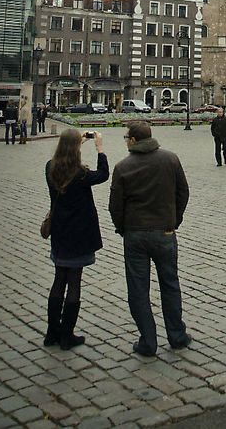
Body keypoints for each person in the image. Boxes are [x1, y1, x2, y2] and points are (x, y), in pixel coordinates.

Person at [108, 120, 191, 357]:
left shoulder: (123, 167)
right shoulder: (170, 159)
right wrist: (175, 219)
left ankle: (148, 341)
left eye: (126, 138)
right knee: (170, 284)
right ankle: (177, 336)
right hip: (165, 232)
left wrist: (123, 227)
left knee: (138, 288)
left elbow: (115, 206)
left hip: (135, 233)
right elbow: (183, 192)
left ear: (133, 140)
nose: (125, 141)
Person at [44, 128, 108, 350]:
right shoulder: (81, 174)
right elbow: (103, 174)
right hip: (79, 233)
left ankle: (52, 332)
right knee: (74, 283)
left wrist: (76, 142)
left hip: (60, 231)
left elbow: (61, 161)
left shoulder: (50, 168)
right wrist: (99, 149)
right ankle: (67, 335)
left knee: (58, 280)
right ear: (76, 149)